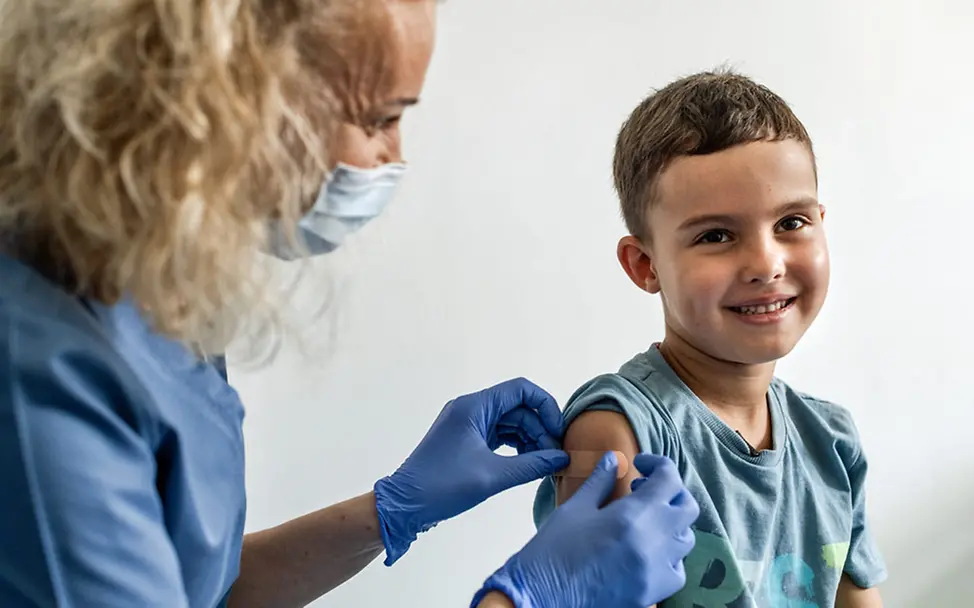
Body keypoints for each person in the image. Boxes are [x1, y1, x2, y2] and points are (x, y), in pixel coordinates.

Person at [0, 1, 700, 607]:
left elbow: (196, 592)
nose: (394, 156)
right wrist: (524, 598)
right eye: (378, 118)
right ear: (224, 97)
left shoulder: (144, 289)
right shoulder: (39, 369)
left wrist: (389, 511)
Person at [532, 70, 888, 607]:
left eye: (791, 223)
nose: (766, 264)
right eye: (716, 235)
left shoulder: (832, 441)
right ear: (645, 264)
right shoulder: (619, 431)